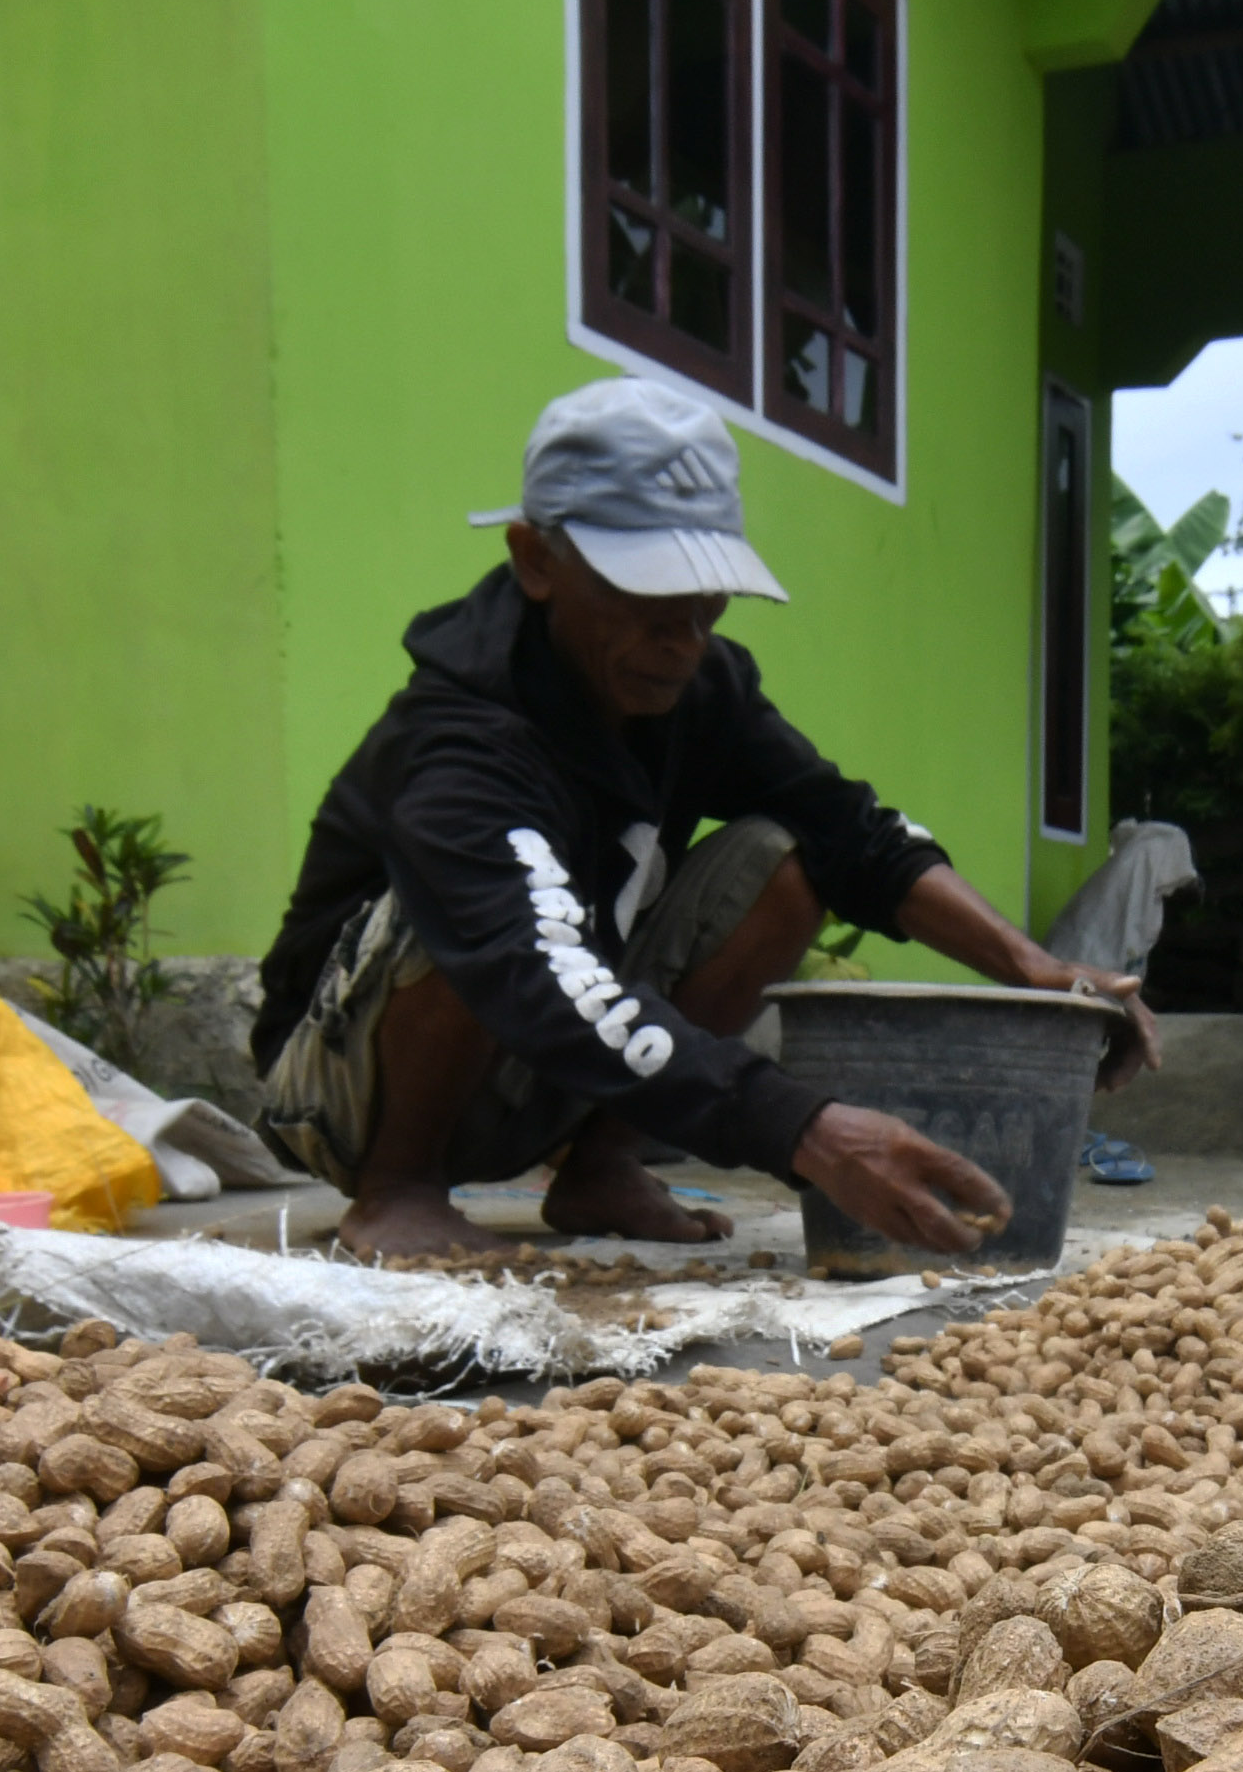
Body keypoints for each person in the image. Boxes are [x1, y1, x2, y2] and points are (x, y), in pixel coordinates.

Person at [251, 378, 1159, 1261]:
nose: (682, 639)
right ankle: (399, 1189)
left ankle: (600, 1169)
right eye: (645, 598)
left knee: (788, 861)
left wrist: (1033, 967)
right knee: (468, 899)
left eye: (704, 600)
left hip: (545, 1063)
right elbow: (532, 974)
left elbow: (856, 834)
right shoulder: (459, 739)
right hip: (343, 1096)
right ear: (537, 560)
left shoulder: (701, 688)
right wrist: (805, 1131)